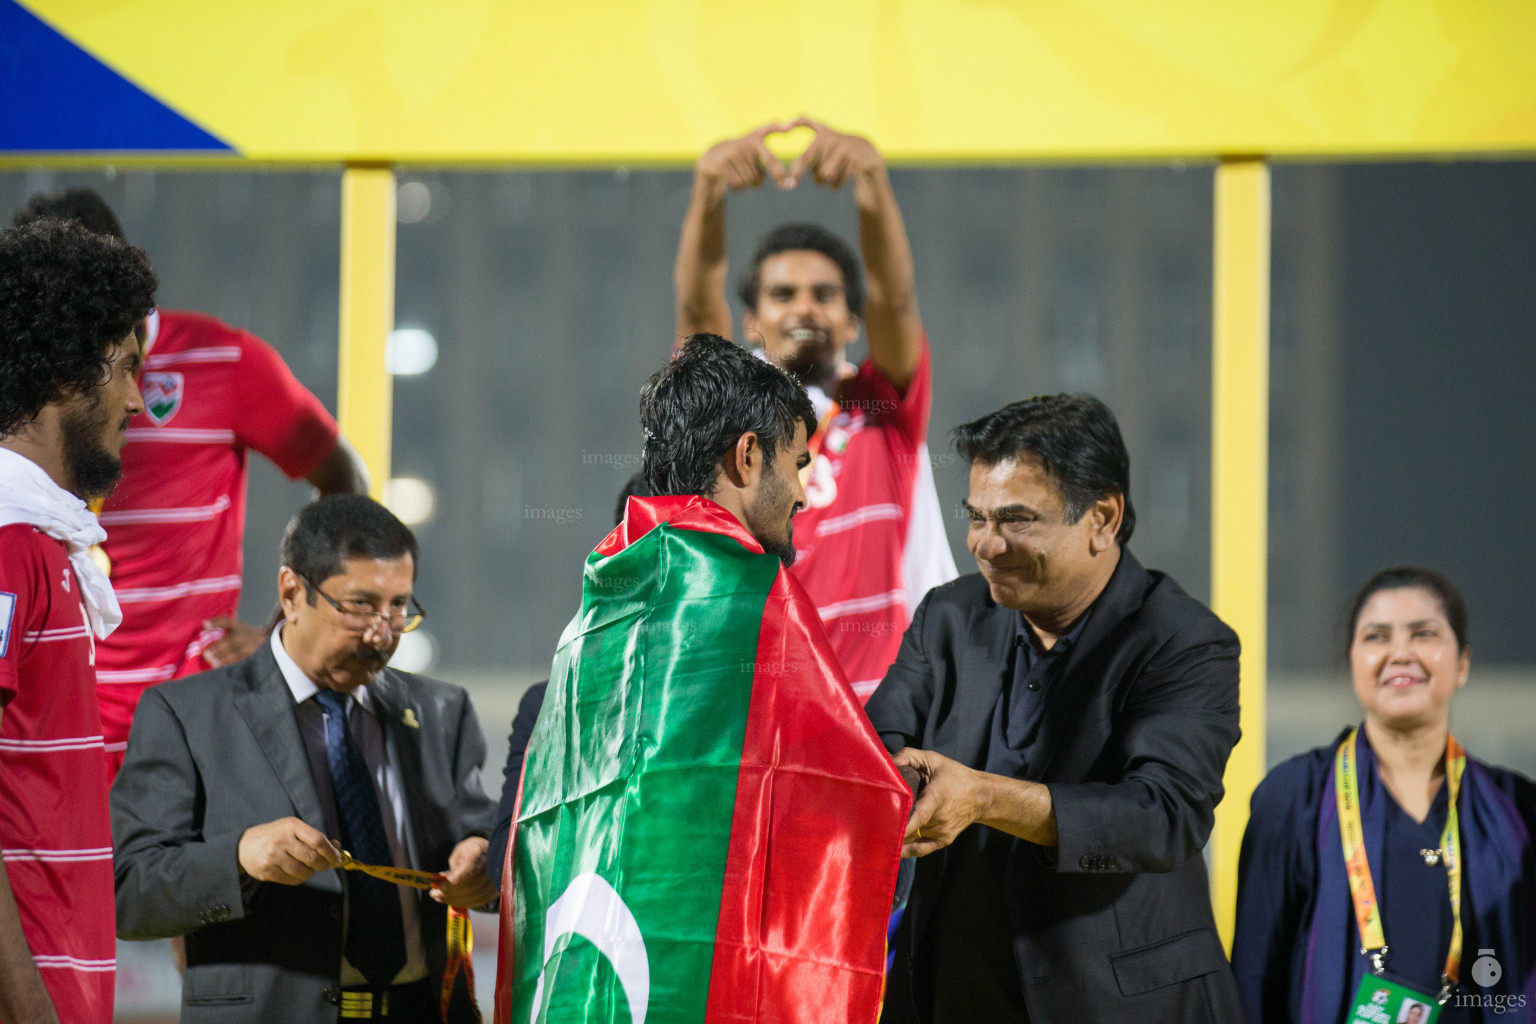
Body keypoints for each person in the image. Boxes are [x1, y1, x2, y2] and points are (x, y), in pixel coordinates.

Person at [499, 335, 910, 1023]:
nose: (806, 494)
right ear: (748, 456)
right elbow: (849, 794)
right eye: (799, 465)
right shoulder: (752, 596)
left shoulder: (596, 611)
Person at [865, 393, 1245, 1023]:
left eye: (1015, 519)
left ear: (1102, 517)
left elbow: (1162, 817)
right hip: (950, 998)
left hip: (1124, 1005)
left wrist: (982, 797)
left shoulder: (1184, 642)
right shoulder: (949, 618)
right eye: (976, 517)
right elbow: (878, 744)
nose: (985, 545)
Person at [13, 188, 370, 780]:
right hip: (60, 710)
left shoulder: (224, 360)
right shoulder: (37, 380)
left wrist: (287, 633)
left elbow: (345, 482)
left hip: (194, 715)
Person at [111, 495, 497, 1024]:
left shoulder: (441, 711)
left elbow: (485, 838)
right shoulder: (187, 714)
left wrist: (483, 862)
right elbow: (128, 892)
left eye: (399, 607)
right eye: (359, 606)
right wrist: (239, 858)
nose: (381, 633)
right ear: (292, 593)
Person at [674, 118, 955, 699]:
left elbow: (895, 294)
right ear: (751, 320)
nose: (805, 308)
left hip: (873, 712)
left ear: (854, 320)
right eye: (782, 294)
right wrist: (708, 189)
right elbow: (698, 300)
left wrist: (872, 180)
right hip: (753, 705)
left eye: (825, 295)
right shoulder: (727, 409)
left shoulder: (885, 407)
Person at [1232, 567, 1535, 1023]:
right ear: (1351, 661)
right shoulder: (1294, 798)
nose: (1400, 653)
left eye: (1423, 634)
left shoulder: (1519, 808)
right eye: (1376, 637)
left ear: (1464, 663)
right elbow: (1253, 980)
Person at [0, 219, 156, 1024]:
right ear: (65, 374)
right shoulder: (7, 543)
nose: (138, 399)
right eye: (128, 368)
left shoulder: (45, 542)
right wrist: (29, 1004)